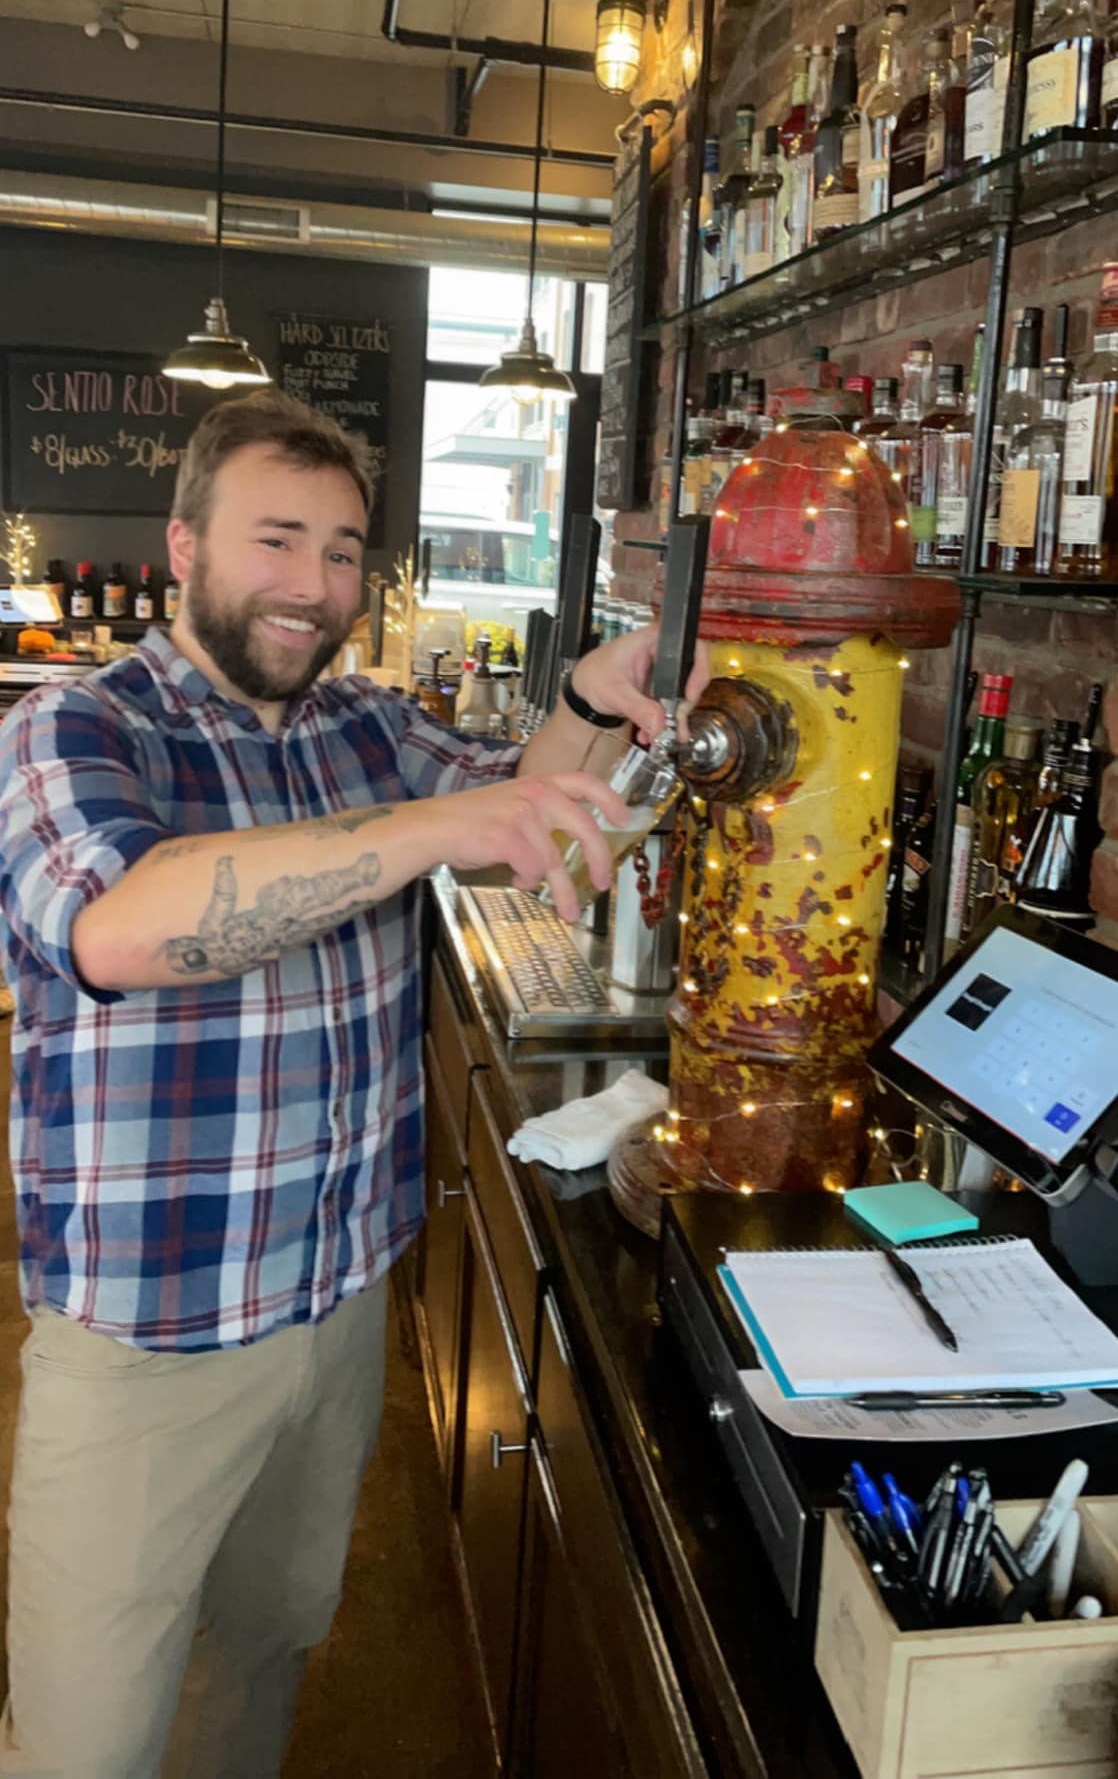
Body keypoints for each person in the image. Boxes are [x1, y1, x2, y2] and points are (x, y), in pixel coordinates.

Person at [0, 390, 705, 1779]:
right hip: (151, 1329)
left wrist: (585, 703)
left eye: (341, 551)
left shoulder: (357, 724)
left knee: (263, 1654)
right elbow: (122, 929)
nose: (315, 583)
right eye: (277, 539)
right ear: (184, 545)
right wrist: (431, 823)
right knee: (87, 1739)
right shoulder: (71, 728)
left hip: (334, 1310)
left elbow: (512, 826)